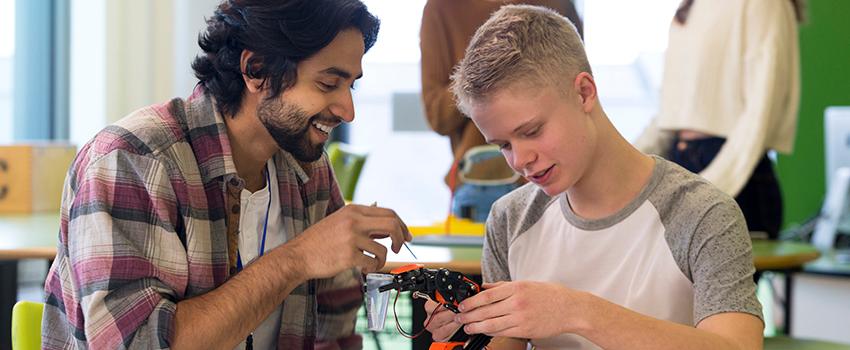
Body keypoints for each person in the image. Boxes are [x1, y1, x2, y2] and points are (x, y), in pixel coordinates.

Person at [41, 1, 411, 349]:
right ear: (257, 71)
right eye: (328, 84)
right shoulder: (135, 160)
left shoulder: (309, 172)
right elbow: (135, 342)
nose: (348, 111)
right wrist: (297, 259)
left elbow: (335, 333)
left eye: (352, 85)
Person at [424, 5, 763, 349]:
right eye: (503, 145)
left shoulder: (702, 213)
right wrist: (470, 328)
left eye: (532, 130)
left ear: (584, 92)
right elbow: (506, 344)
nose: (520, 160)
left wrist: (576, 311)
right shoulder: (509, 219)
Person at [634, 0, 802, 240]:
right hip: (682, 167)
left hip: (736, 180)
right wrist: (620, 164)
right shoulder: (691, 6)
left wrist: (703, 191)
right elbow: (671, 112)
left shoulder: (765, 4)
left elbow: (759, 116)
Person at [420, 0, 582, 222]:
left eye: (533, 130)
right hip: (479, 190)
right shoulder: (443, 8)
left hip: (560, 180)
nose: (518, 159)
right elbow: (437, 117)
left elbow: (577, 82)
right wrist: (484, 71)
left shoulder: (557, 3)